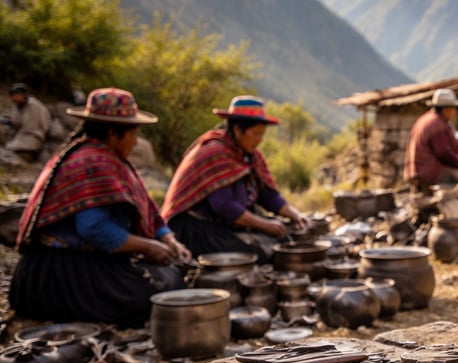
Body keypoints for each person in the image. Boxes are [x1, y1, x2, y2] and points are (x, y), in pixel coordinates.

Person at [10, 87, 190, 327]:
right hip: (59, 273)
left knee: (170, 277)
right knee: (162, 288)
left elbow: (146, 208)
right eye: (133, 134)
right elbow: (93, 228)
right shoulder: (94, 163)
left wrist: (168, 239)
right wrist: (148, 246)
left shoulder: (107, 158)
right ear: (114, 133)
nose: (136, 141)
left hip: (70, 264)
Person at [161, 96, 308, 263]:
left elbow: (268, 195)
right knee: (256, 255)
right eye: (255, 133)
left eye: (262, 134)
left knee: (283, 240)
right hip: (194, 227)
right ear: (238, 129)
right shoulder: (215, 152)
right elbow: (224, 206)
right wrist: (264, 224)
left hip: (223, 223)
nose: (259, 139)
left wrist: (294, 214)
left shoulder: (251, 156)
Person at [403, 88, 458, 194]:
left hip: (417, 171)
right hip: (428, 171)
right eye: (453, 108)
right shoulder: (437, 124)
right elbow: (444, 153)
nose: (455, 112)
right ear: (445, 109)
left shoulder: (427, 119)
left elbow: (452, 150)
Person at [2, 83, 52, 161]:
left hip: (32, 136)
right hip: (21, 134)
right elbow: (14, 119)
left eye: (15, 95)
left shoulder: (34, 107)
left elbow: (30, 126)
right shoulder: (18, 106)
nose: (13, 98)